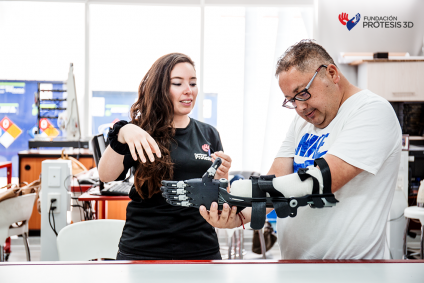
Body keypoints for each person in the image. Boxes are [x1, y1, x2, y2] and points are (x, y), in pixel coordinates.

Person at [199, 40, 402, 259]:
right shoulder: (303, 122)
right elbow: (276, 178)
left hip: (348, 271)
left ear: (332, 73)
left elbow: (321, 181)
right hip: (294, 266)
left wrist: (238, 190)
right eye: (291, 101)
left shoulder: (371, 111)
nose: (300, 108)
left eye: (302, 93)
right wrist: (241, 215)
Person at [98, 53, 232, 260]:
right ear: (160, 88)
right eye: (178, 83)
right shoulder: (139, 132)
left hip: (199, 246)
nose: (189, 90)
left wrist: (223, 177)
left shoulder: (209, 134)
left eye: (193, 83)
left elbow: (220, 197)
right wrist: (122, 132)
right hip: (143, 246)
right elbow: (106, 175)